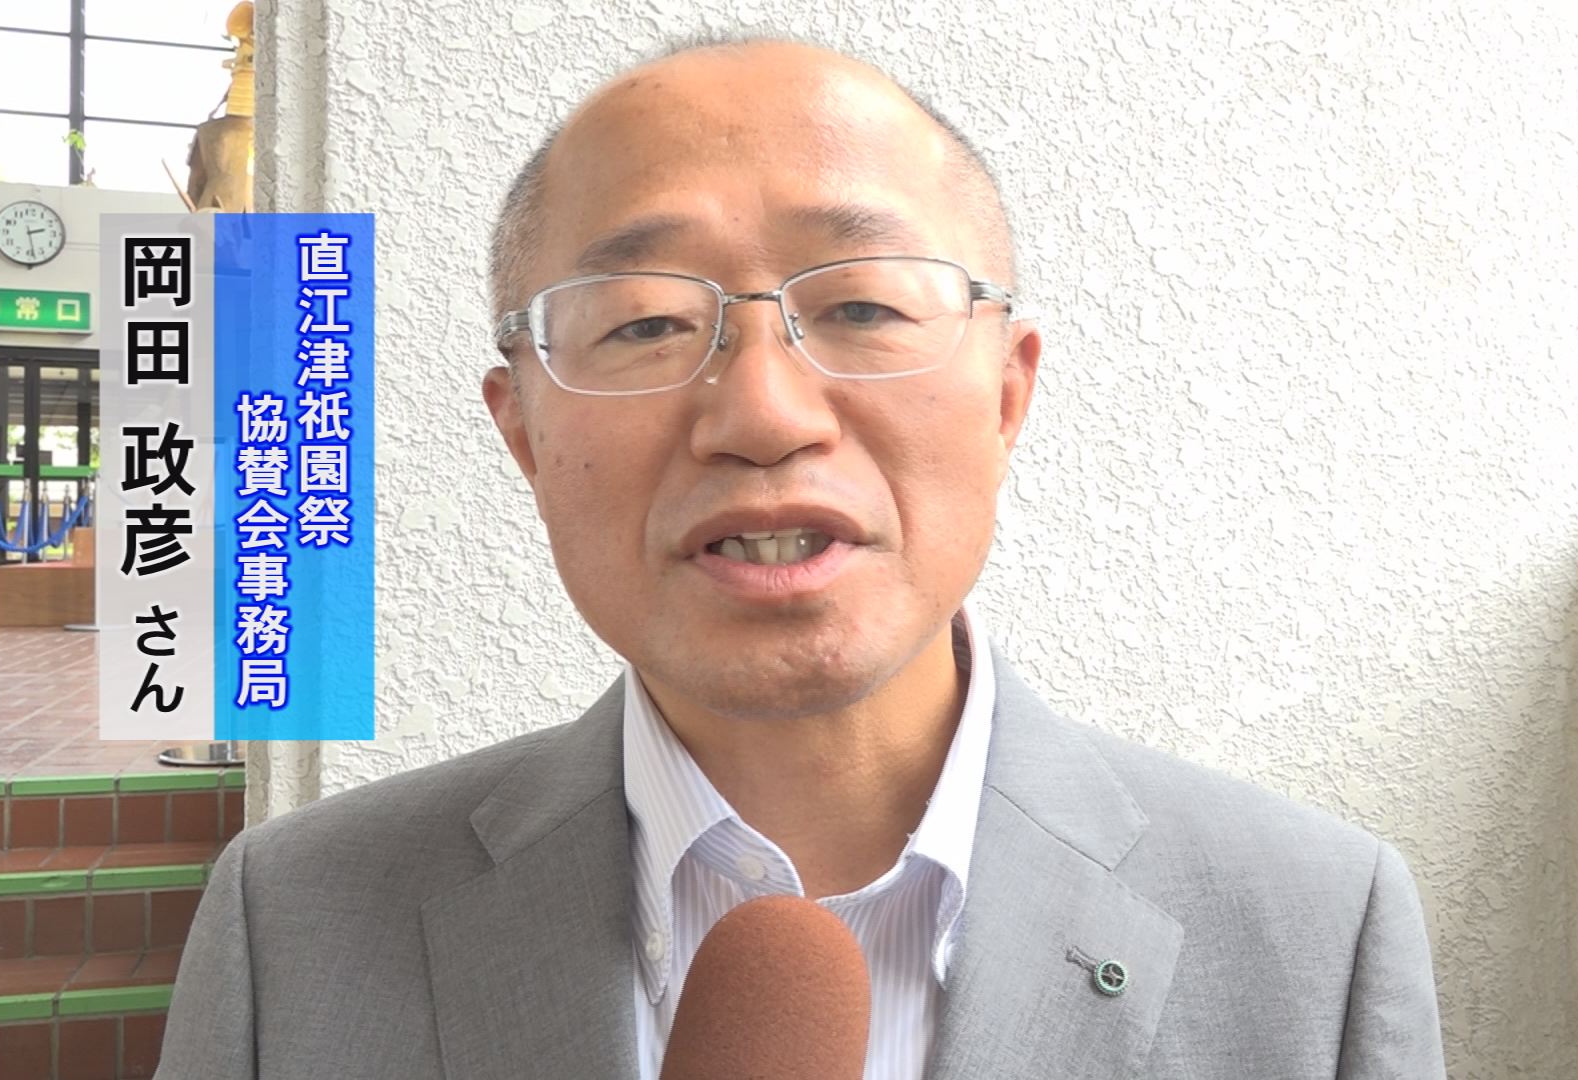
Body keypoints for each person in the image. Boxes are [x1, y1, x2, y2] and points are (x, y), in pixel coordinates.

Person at [157, 36, 1444, 1080]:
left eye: (865, 306)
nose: (765, 414)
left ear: (1007, 395)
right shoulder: (295, 924)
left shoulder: (1315, 932)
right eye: (647, 323)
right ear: (525, 433)